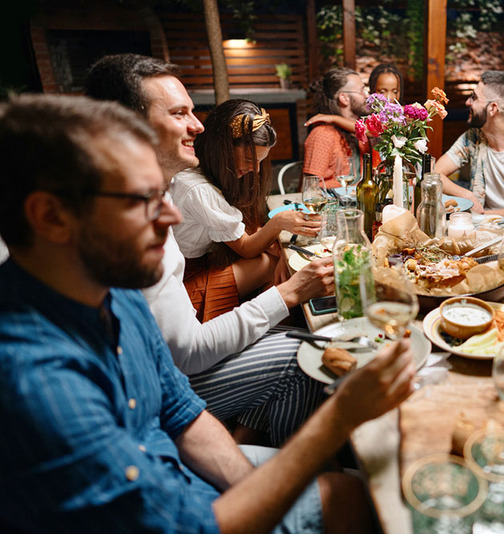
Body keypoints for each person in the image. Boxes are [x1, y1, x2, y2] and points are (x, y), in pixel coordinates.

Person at [0, 93, 416, 533]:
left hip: (175, 468)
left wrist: (260, 491)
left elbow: (180, 410)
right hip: (180, 511)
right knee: (370, 495)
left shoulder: (110, 289)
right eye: (143, 199)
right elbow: (193, 526)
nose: (171, 215)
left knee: (353, 494)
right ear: (51, 216)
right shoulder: (39, 383)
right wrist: (338, 420)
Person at [86, 53, 333, 446]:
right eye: (179, 113)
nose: (198, 125)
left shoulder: (160, 198)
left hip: (163, 381)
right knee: (304, 356)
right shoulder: (129, 224)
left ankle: (251, 438)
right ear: (125, 127)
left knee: (299, 334)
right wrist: (289, 292)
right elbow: (187, 354)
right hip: (157, 399)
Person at [172, 99, 320, 322]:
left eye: (260, 161)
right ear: (223, 148)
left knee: (277, 259)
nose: (256, 169)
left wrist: (279, 250)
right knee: (273, 266)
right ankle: (273, 334)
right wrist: (279, 222)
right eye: (251, 159)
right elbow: (247, 248)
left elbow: (249, 231)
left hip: (205, 262)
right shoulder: (198, 188)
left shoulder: (208, 170)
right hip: (185, 283)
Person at [435, 70, 504, 228]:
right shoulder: (473, 137)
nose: (468, 103)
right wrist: (466, 195)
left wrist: (481, 216)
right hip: (481, 230)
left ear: (493, 108)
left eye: (474, 97)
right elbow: (435, 173)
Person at [304, 67, 370, 189]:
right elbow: (310, 188)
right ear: (344, 98)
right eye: (361, 91)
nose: (367, 96)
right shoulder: (323, 134)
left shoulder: (359, 131)